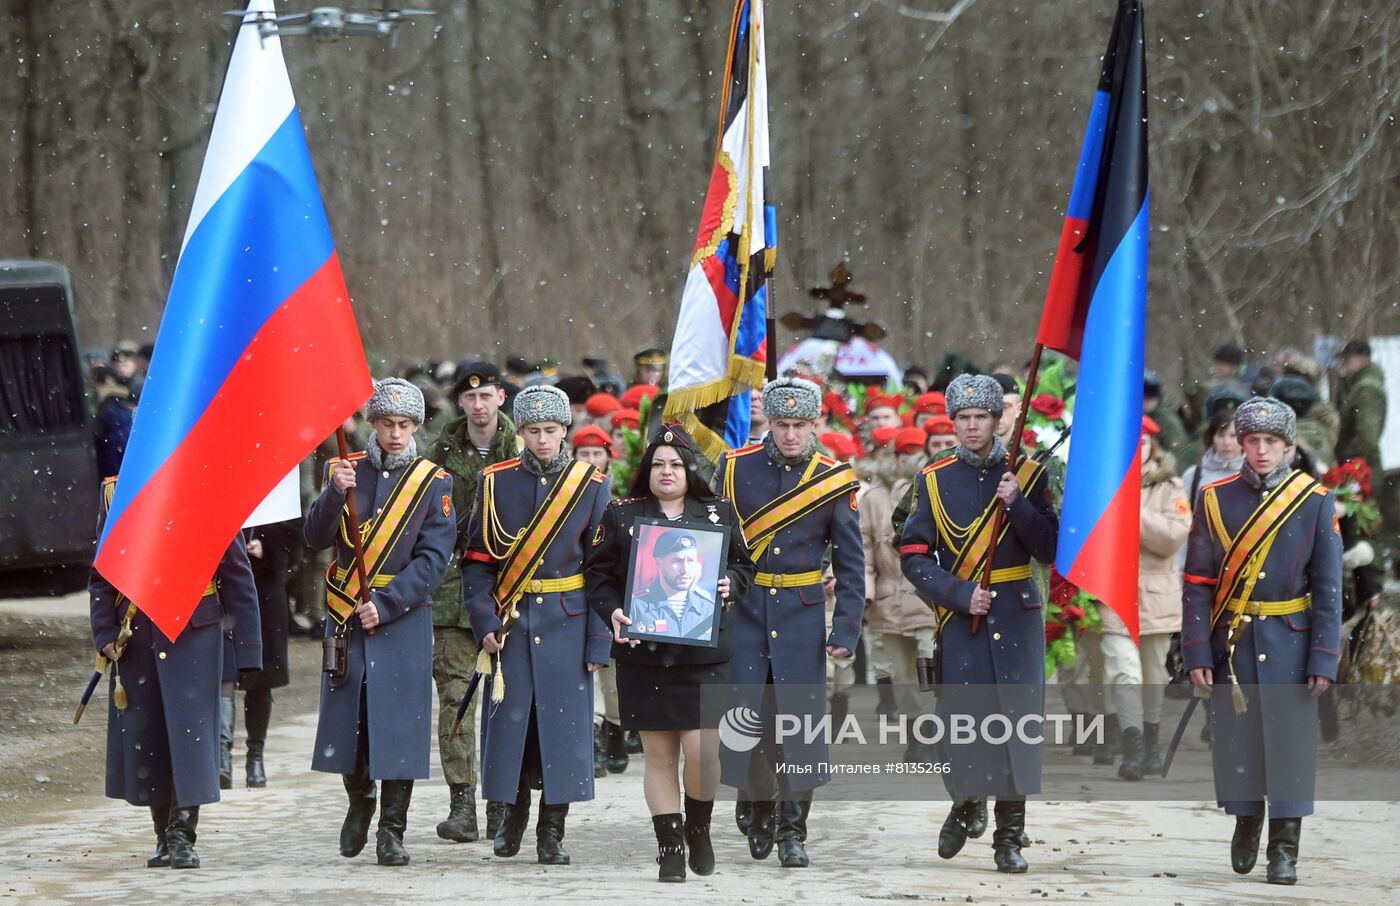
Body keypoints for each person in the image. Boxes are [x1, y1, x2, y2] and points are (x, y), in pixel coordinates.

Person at [900, 373, 1058, 874]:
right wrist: (959, 594)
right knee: (962, 725)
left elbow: (1050, 549)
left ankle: (1009, 838)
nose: (972, 427)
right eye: (964, 418)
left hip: (1017, 614)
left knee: (1016, 727)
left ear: (998, 419)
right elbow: (914, 554)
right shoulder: (933, 477)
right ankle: (966, 800)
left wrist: (1018, 505)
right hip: (962, 614)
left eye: (982, 417)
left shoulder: (1028, 475)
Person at [1181, 396, 1342, 885]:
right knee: (1239, 742)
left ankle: (1284, 848)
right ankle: (1247, 821)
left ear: (1289, 447)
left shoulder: (1315, 500)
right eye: (1253, 441)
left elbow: (1328, 588)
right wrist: (1196, 650)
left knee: (1291, 747)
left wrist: (1324, 656)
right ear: (1242, 444)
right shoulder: (1215, 498)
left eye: (1272, 442)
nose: (1261, 450)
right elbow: (1198, 583)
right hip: (1234, 642)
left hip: (1292, 641)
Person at [585, 423, 755, 881]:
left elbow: (744, 565)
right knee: (659, 754)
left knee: (703, 751)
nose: (666, 471)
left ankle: (698, 828)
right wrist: (614, 613)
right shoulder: (622, 514)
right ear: (647, 468)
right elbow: (597, 576)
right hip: (644, 652)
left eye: (676, 464)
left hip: (704, 653)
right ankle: (669, 846)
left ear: (689, 469)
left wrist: (729, 584)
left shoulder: (718, 512)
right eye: (658, 463)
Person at [715, 376, 865, 869]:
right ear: (768, 422)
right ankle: (756, 799)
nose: (790, 435)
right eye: (781, 424)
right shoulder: (735, 468)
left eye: (800, 425)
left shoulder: (834, 478)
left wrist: (845, 628)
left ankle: (792, 830)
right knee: (747, 720)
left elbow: (849, 561)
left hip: (801, 613)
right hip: (745, 608)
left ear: (816, 423)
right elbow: (717, 542)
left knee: (798, 726)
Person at [462, 384, 613, 865]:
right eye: (532, 431)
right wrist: (484, 618)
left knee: (564, 733)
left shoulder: (590, 485)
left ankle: (553, 830)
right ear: (520, 431)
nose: (542, 440)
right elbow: (477, 562)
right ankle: (512, 817)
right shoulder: (494, 481)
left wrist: (597, 640)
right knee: (513, 729)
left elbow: (601, 570)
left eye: (550, 430)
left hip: (569, 621)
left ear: (565, 430)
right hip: (512, 623)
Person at [306, 378, 455, 867]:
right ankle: (359, 800)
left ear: (416, 426)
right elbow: (315, 536)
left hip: (402, 616)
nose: (396, 433)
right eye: (388, 424)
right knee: (353, 721)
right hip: (347, 612)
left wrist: (389, 603)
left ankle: (392, 828)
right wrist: (332, 493)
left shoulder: (434, 483)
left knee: (399, 726)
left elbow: (433, 559)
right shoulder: (345, 470)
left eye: (405, 425)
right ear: (372, 424)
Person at [88, 477, 262, 869]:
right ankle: (162, 835)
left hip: (194, 633)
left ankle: (183, 834)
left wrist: (248, 649)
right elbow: (102, 575)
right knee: (147, 736)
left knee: (189, 736)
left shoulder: (212, 489)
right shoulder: (117, 492)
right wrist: (103, 633)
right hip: (137, 632)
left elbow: (236, 573)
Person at [422, 361, 519, 844]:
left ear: (502, 398)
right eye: (470, 397)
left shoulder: (523, 446)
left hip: (511, 590)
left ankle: (502, 801)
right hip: (451, 592)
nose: (479, 405)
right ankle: (463, 802)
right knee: (455, 701)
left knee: (505, 700)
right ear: (459, 401)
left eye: (488, 396)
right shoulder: (437, 453)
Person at [1109, 418, 1191, 780]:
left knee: (1153, 674)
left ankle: (1153, 740)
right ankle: (1134, 747)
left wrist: (1131, 511)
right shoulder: (1103, 483)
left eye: (1141, 442)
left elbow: (1173, 536)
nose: (1135, 449)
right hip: (1112, 593)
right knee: (1124, 672)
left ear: (1152, 446)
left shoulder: (1170, 486)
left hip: (1156, 595)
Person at [860, 426, 937, 761]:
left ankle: (935, 732)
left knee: (932, 666)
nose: (908, 460)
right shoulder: (874, 497)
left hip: (927, 596)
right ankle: (916, 733)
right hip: (888, 598)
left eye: (914, 452)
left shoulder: (933, 485)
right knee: (901, 672)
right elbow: (862, 547)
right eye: (903, 453)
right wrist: (865, 589)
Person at [236, 519, 298, 789]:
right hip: (220, 593)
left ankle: (255, 756)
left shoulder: (274, 490)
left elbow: (297, 541)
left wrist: (267, 546)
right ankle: (220, 757)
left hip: (264, 594)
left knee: (259, 682)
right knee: (218, 681)